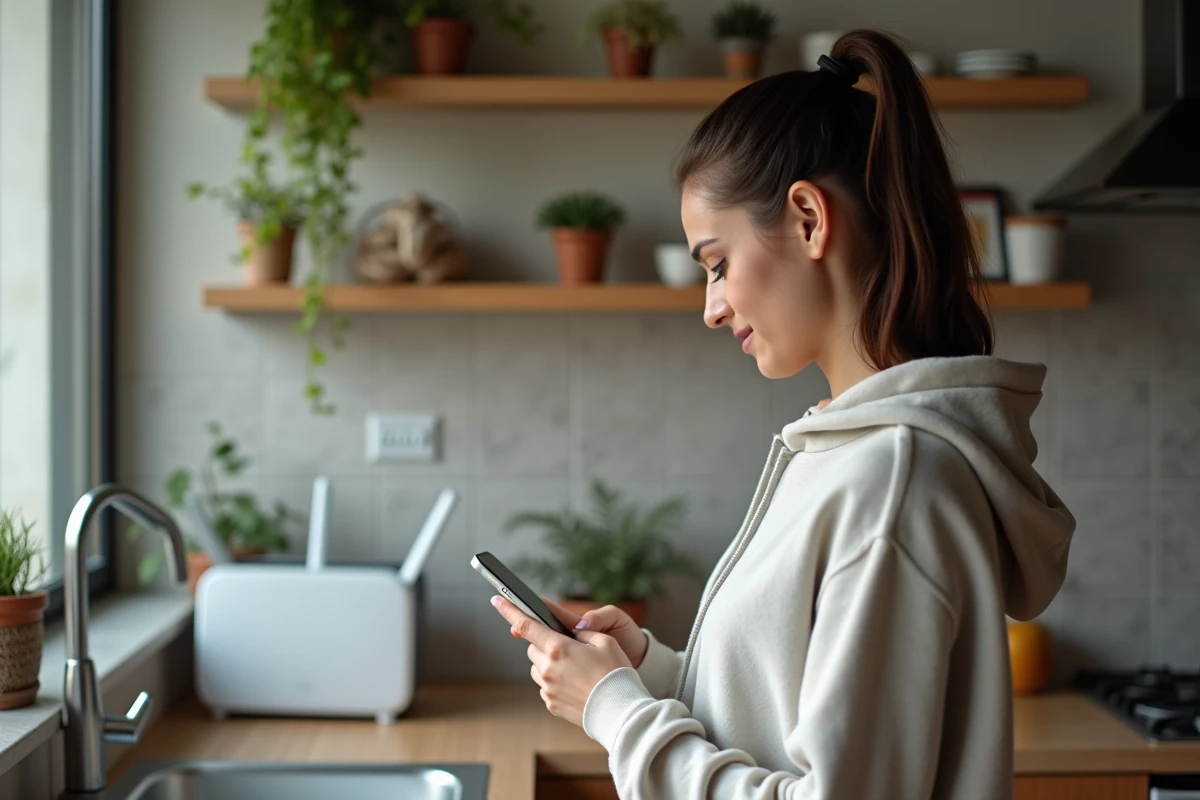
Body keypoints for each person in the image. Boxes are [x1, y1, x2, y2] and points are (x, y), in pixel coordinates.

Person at [489, 28, 1075, 799]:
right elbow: (785, 716)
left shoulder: (890, 483)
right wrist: (649, 671)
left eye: (718, 263)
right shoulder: (843, 453)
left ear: (807, 218)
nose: (711, 306)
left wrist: (617, 713)